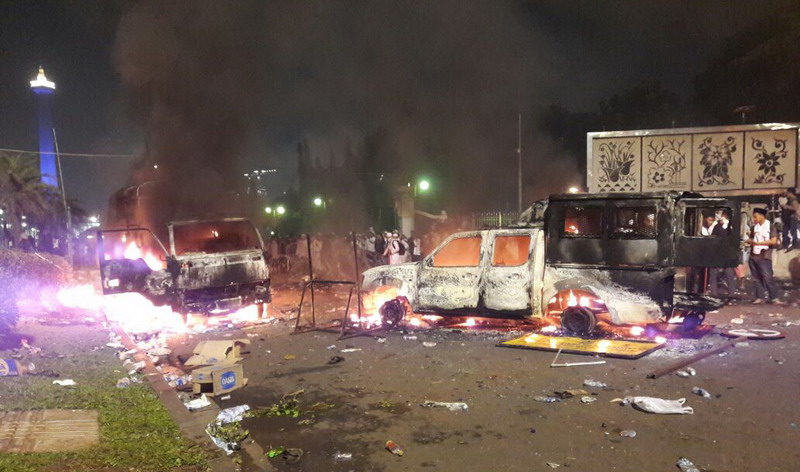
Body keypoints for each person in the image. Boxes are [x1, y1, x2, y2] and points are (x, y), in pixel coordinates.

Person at [746, 208, 782, 304]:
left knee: (768, 277)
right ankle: (760, 297)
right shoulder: (754, 227)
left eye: (755, 217)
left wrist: (759, 243)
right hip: (753, 255)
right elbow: (751, 238)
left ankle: (774, 298)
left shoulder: (770, 227)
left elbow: (773, 241)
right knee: (756, 278)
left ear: (762, 216)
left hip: (764, 256)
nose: (754, 219)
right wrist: (749, 241)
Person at [708, 210, 736, 297]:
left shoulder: (732, 227)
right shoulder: (717, 226)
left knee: (729, 274)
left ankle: (731, 293)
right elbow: (713, 237)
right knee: (714, 273)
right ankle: (714, 292)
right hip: (718, 252)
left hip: (728, 254)